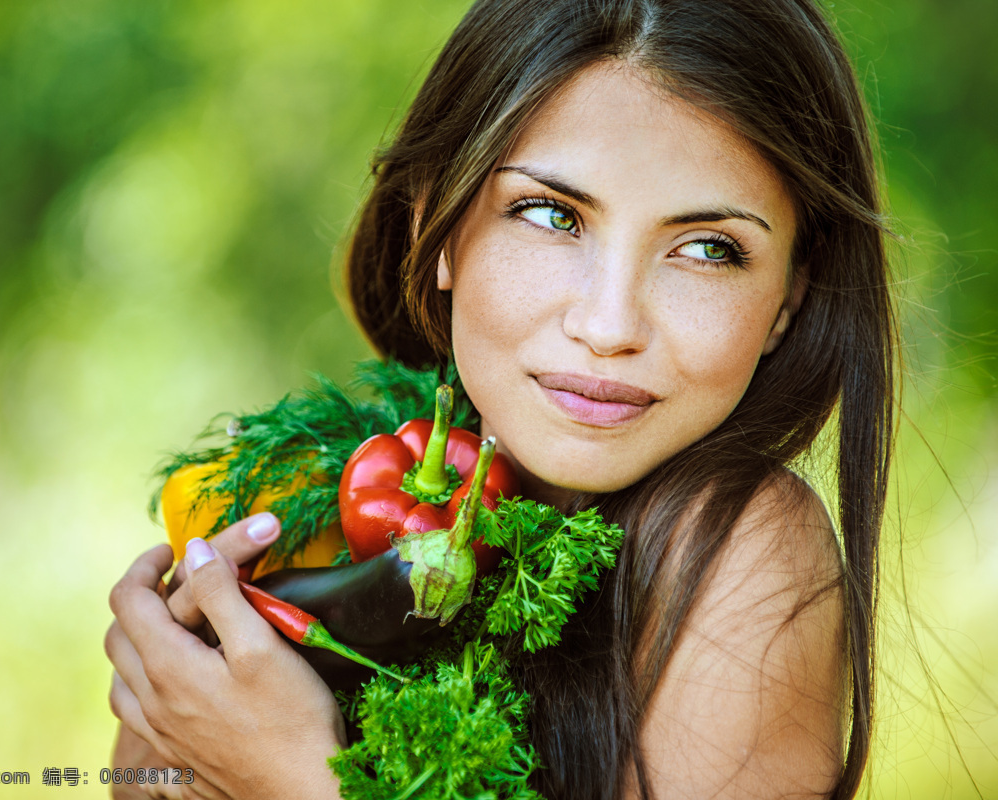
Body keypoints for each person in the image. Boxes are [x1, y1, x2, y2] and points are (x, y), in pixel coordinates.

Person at [104, 0, 895, 797]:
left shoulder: (744, 546)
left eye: (707, 249)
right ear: (435, 231)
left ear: (789, 296)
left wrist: (297, 777)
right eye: (552, 215)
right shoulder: (348, 494)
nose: (609, 325)